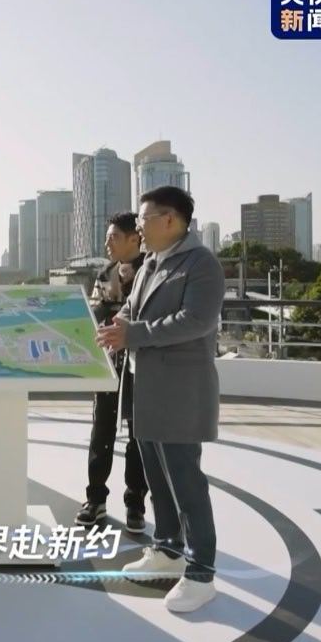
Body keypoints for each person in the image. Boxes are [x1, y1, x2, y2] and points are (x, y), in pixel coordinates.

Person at [97, 186, 225, 613]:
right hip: (146, 386)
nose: (139, 228)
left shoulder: (201, 264)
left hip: (181, 391)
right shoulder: (151, 263)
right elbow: (131, 310)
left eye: (143, 220)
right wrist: (116, 326)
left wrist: (134, 334)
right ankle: (168, 549)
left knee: (186, 481)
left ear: (170, 220)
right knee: (155, 476)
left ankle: (201, 573)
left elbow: (196, 321)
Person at [75, 212, 149, 533]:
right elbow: (95, 312)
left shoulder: (152, 271)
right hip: (108, 362)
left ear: (135, 238)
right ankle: (95, 498)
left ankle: (135, 502)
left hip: (142, 364)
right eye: (107, 237)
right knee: (101, 429)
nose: (108, 243)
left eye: (114, 237)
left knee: (138, 434)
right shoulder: (104, 273)